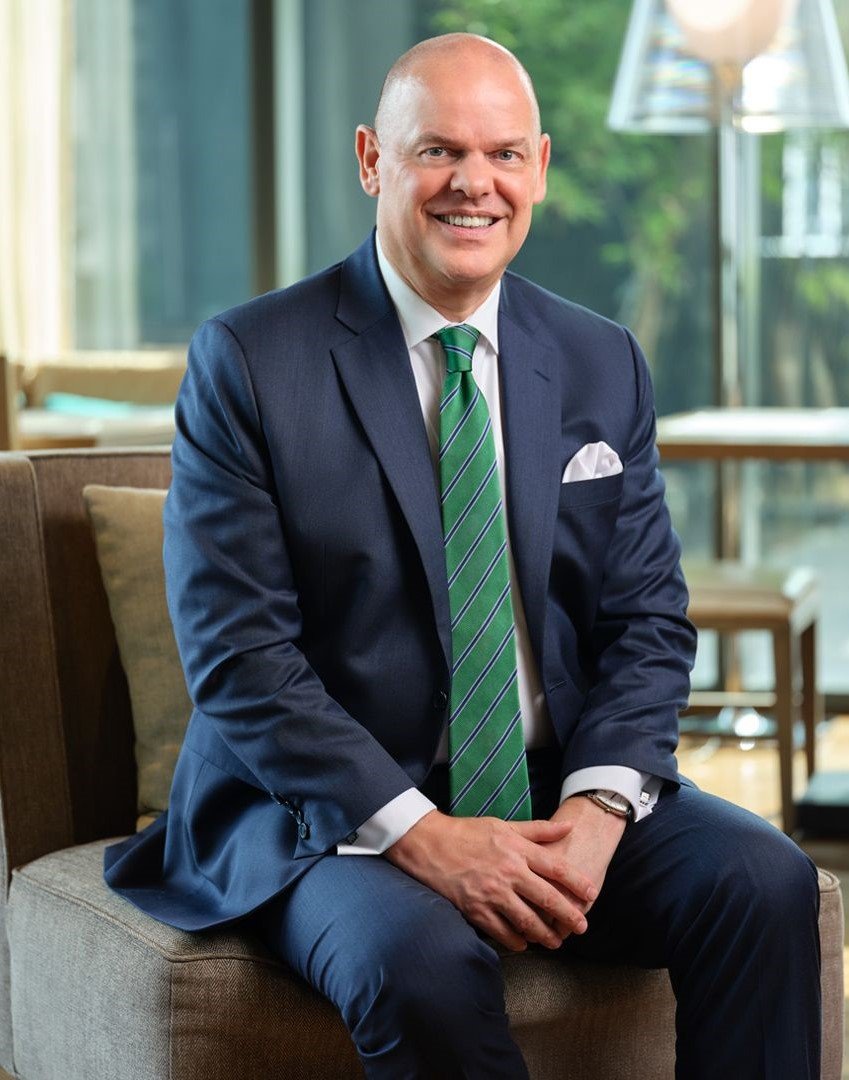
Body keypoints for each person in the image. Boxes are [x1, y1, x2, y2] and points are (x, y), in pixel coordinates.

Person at [105, 33, 821, 1078]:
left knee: (764, 881)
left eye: (502, 153)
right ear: (372, 160)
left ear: (540, 167)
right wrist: (423, 835)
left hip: (553, 786)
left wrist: (595, 812)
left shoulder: (600, 359)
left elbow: (646, 623)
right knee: (423, 962)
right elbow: (241, 659)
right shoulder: (251, 362)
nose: (473, 183)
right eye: (438, 150)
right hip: (326, 813)